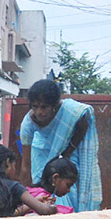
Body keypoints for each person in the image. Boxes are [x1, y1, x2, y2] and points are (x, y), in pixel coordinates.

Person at [19, 79, 101, 212]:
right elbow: (26, 165)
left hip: (67, 153)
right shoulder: (28, 124)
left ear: (54, 106)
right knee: (43, 190)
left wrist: (67, 152)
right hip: (41, 154)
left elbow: (83, 121)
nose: (39, 112)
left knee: (68, 188)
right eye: (35, 106)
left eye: (44, 107)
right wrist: (22, 200)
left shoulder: (69, 110)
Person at [0, 144, 59, 217]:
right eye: (14, 165)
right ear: (7, 163)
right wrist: (53, 208)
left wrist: (34, 202)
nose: (15, 170)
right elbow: (44, 210)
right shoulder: (13, 186)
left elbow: (4, 216)